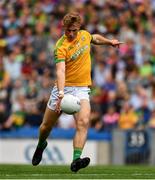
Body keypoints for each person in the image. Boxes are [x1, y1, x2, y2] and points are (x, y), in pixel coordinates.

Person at [32, 12, 123, 172]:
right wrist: (60, 94)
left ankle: (76, 160)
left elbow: (94, 38)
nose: (71, 34)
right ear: (64, 28)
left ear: (79, 28)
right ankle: (41, 145)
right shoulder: (60, 47)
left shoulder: (84, 35)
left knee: (83, 122)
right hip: (63, 88)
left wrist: (110, 42)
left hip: (81, 88)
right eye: (68, 30)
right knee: (46, 127)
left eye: (74, 30)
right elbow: (60, 72)